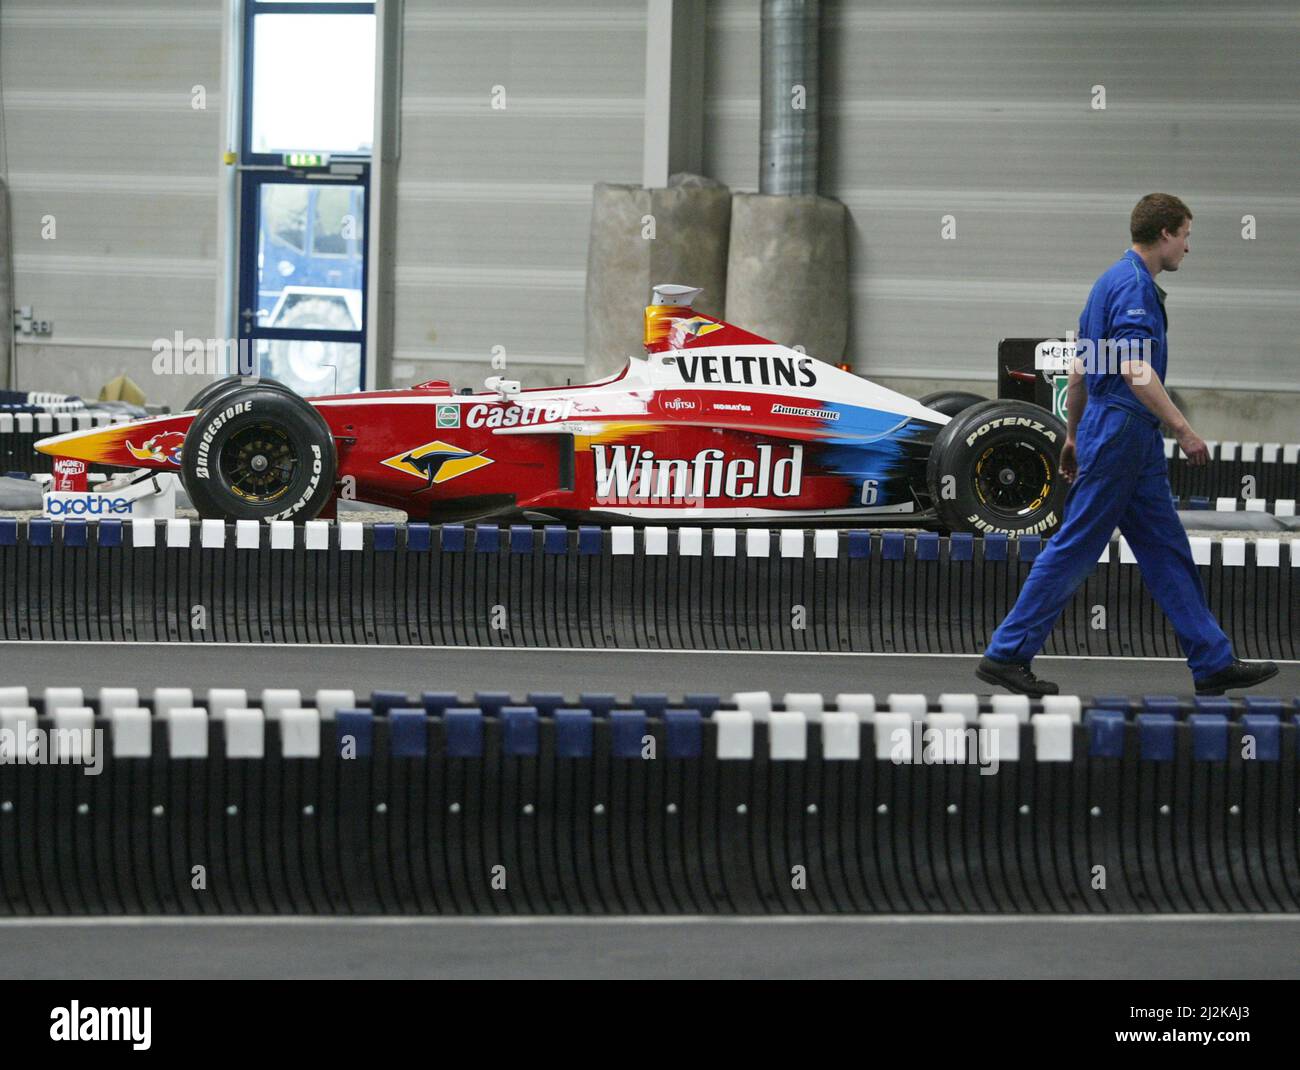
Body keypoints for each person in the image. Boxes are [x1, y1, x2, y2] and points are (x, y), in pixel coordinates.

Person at [976, 193, 1278, 698]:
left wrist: (1073, 434)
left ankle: (1212, 660)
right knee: (1075, 546)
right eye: (1186, 235)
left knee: (1165, 550)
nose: (1188, 247)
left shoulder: (1107, 284)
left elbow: (1079, 370)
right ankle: (1006, 653)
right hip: (1122, 432)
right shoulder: (1134, 288)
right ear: (1164, 235)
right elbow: (1136, 371)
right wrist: (1182, 428)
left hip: (1112, 432)